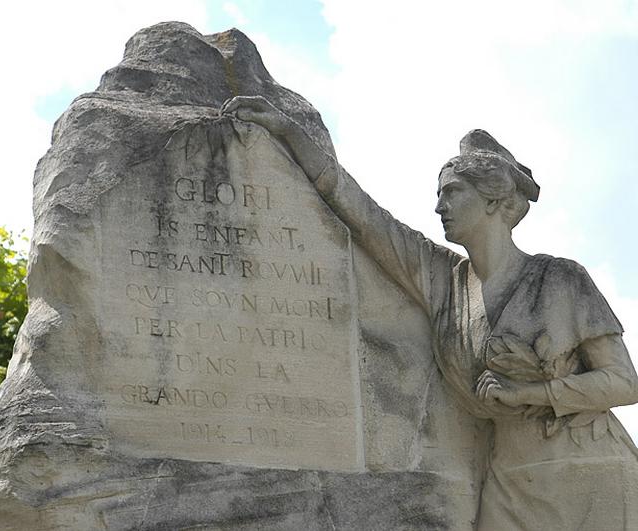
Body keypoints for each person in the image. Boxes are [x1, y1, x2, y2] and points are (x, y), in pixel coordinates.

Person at [221, 96, 638, 530]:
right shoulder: (445, 281)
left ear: (494, 200)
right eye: (439, 195)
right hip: (511, 482)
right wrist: (291, 135)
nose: (440, 206)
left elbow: (625, 383)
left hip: (589, 471)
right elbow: (366, 218)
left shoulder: (559, 280)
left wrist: (528, 394)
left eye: (453, 192)